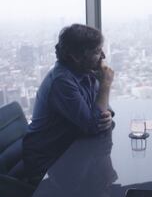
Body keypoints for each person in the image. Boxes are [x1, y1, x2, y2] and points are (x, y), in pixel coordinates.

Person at [22, 24, 115, 186]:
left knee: (106, 181)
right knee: (103, 185)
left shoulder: (85, 71)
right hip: (50, 162)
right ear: (76, 56)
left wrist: (108, 115)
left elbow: (103, 108)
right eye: (96, 51)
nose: (103, 56)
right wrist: (106, 83)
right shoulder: (62, 82)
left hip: (72, 148)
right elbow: (93, 125)